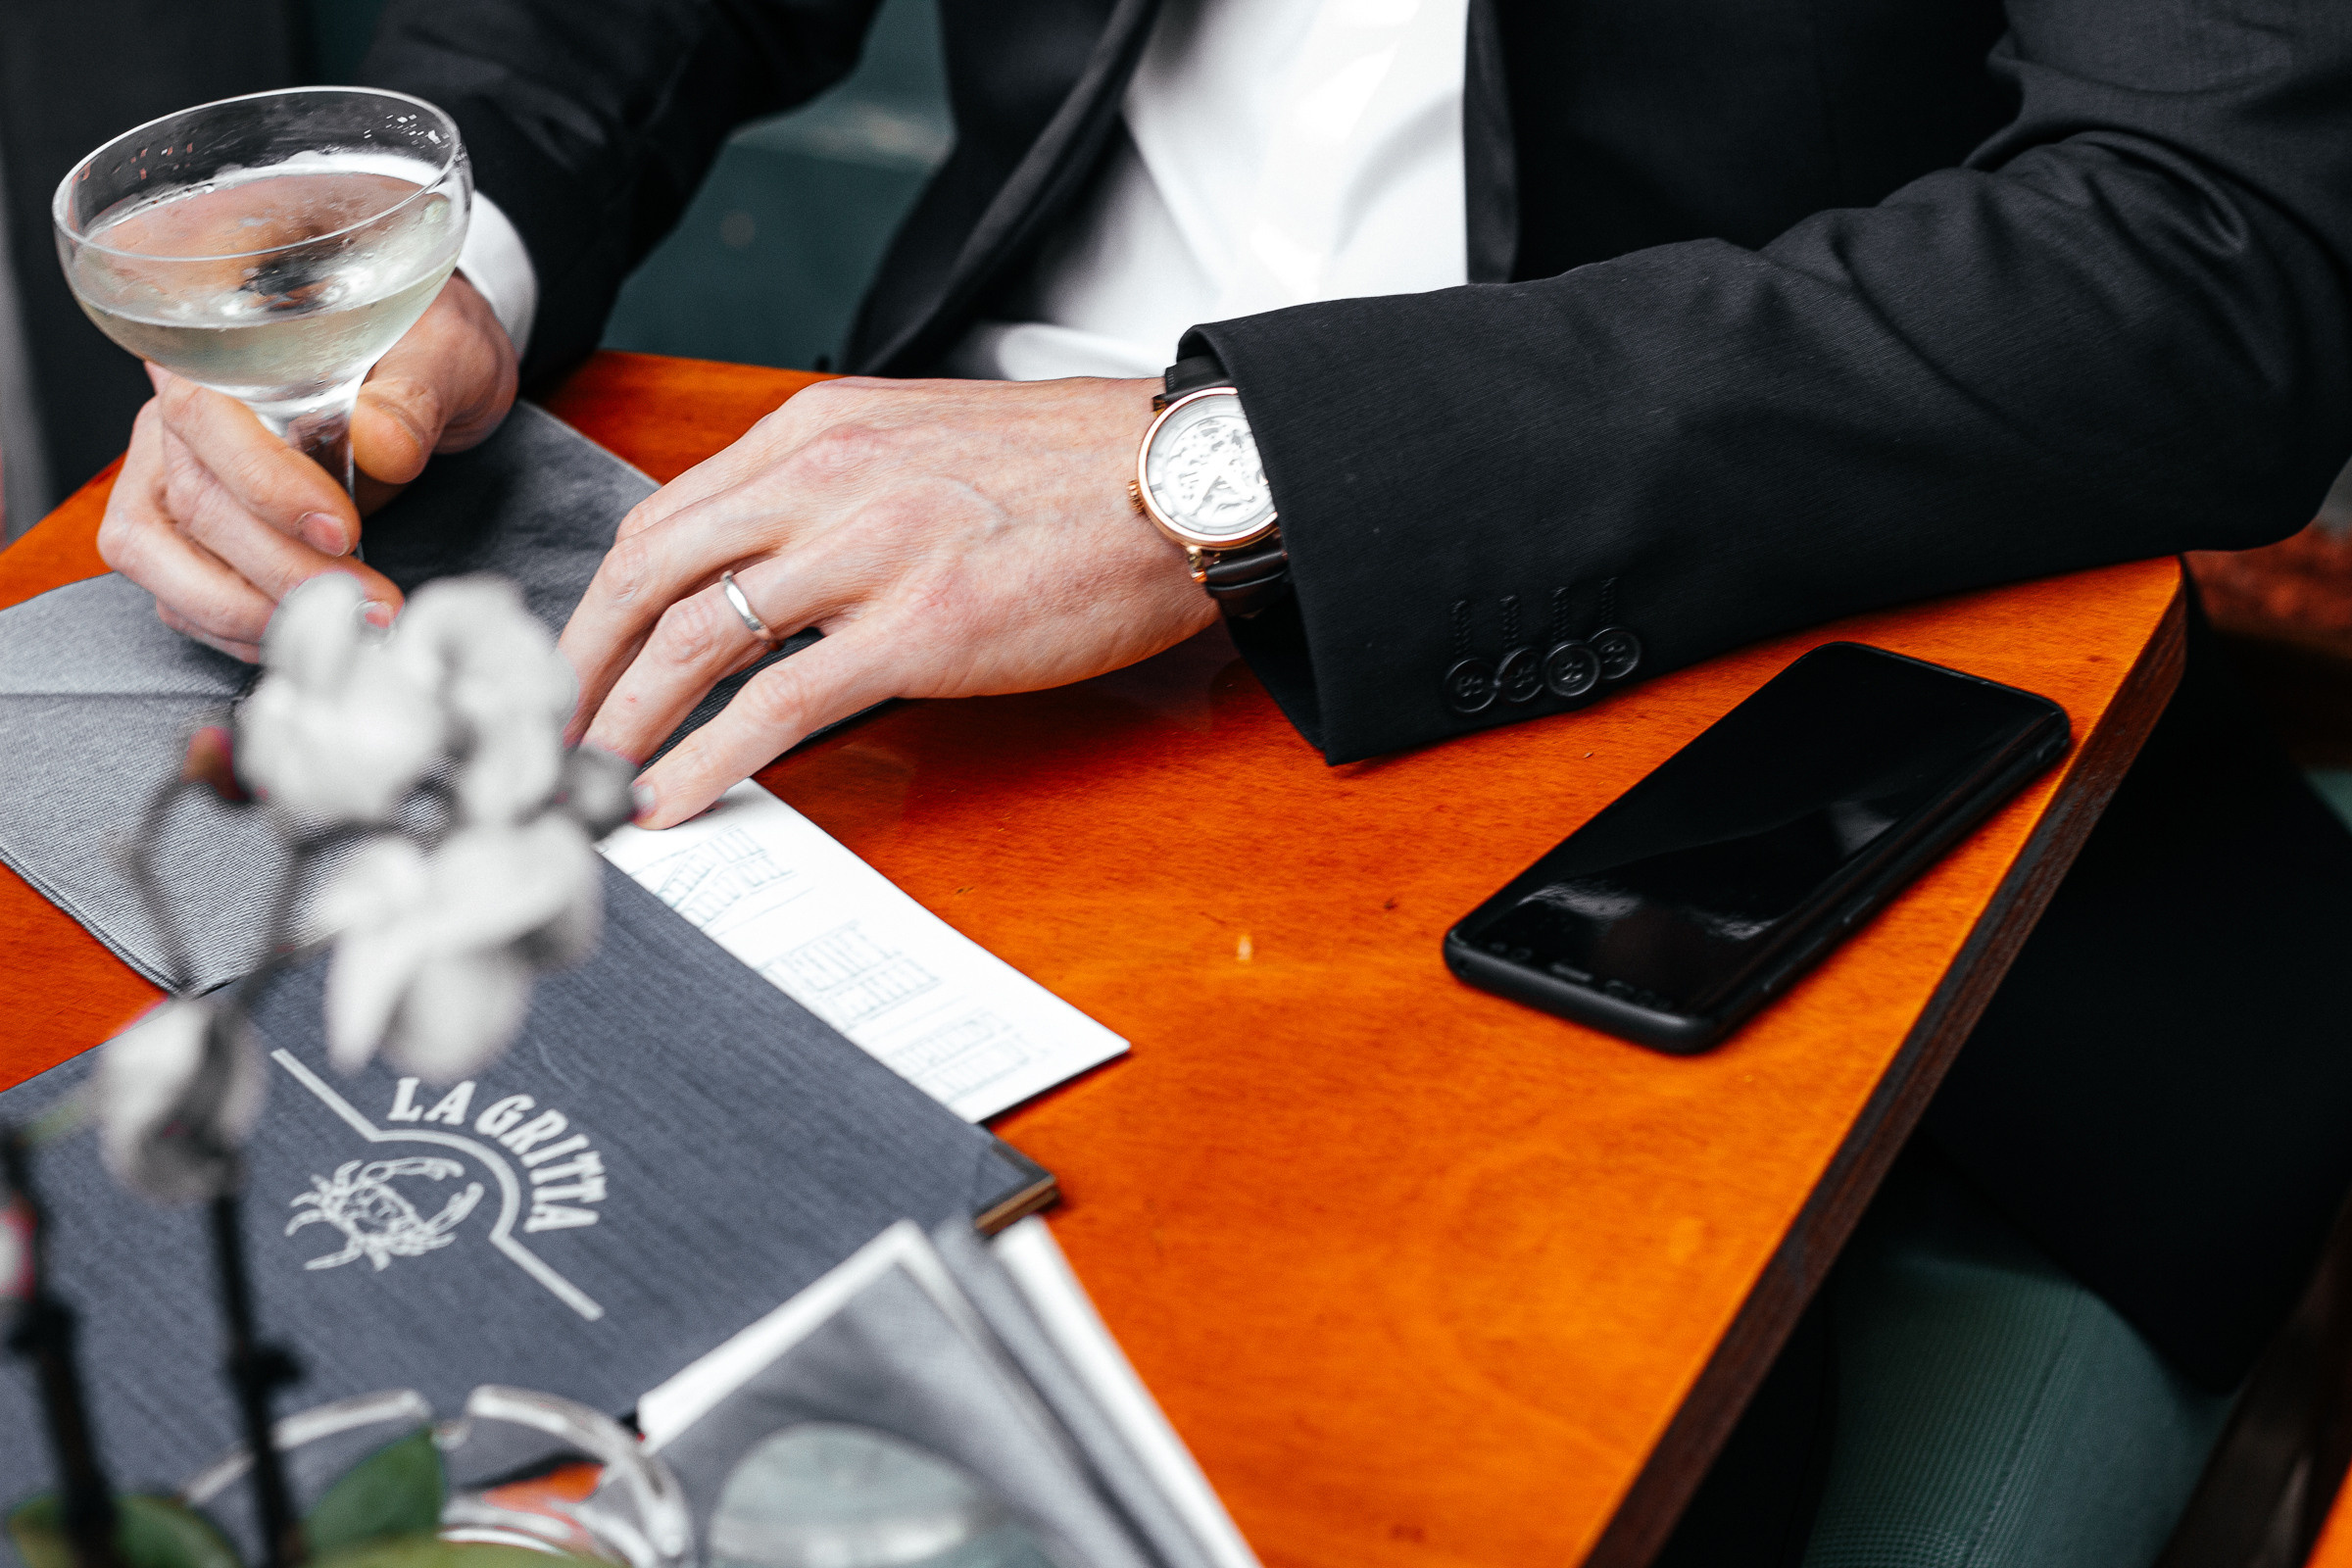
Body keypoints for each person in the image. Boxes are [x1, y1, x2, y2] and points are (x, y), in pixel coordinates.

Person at [90, 0, 2352, 1560]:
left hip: (1708, 661)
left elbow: (2203, 245)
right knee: (204, 1324)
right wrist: (424, 266)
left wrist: (1230, 470)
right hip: (881, 577)